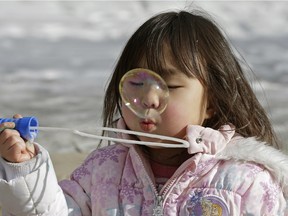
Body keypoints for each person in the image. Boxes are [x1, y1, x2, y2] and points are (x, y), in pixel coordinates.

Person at [0, 9, 288, 216]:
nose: (149, 98)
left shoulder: (244, 182)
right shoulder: (103, 171)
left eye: (170, 85)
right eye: (136, 82)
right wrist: (25, 169)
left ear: (210, 101)